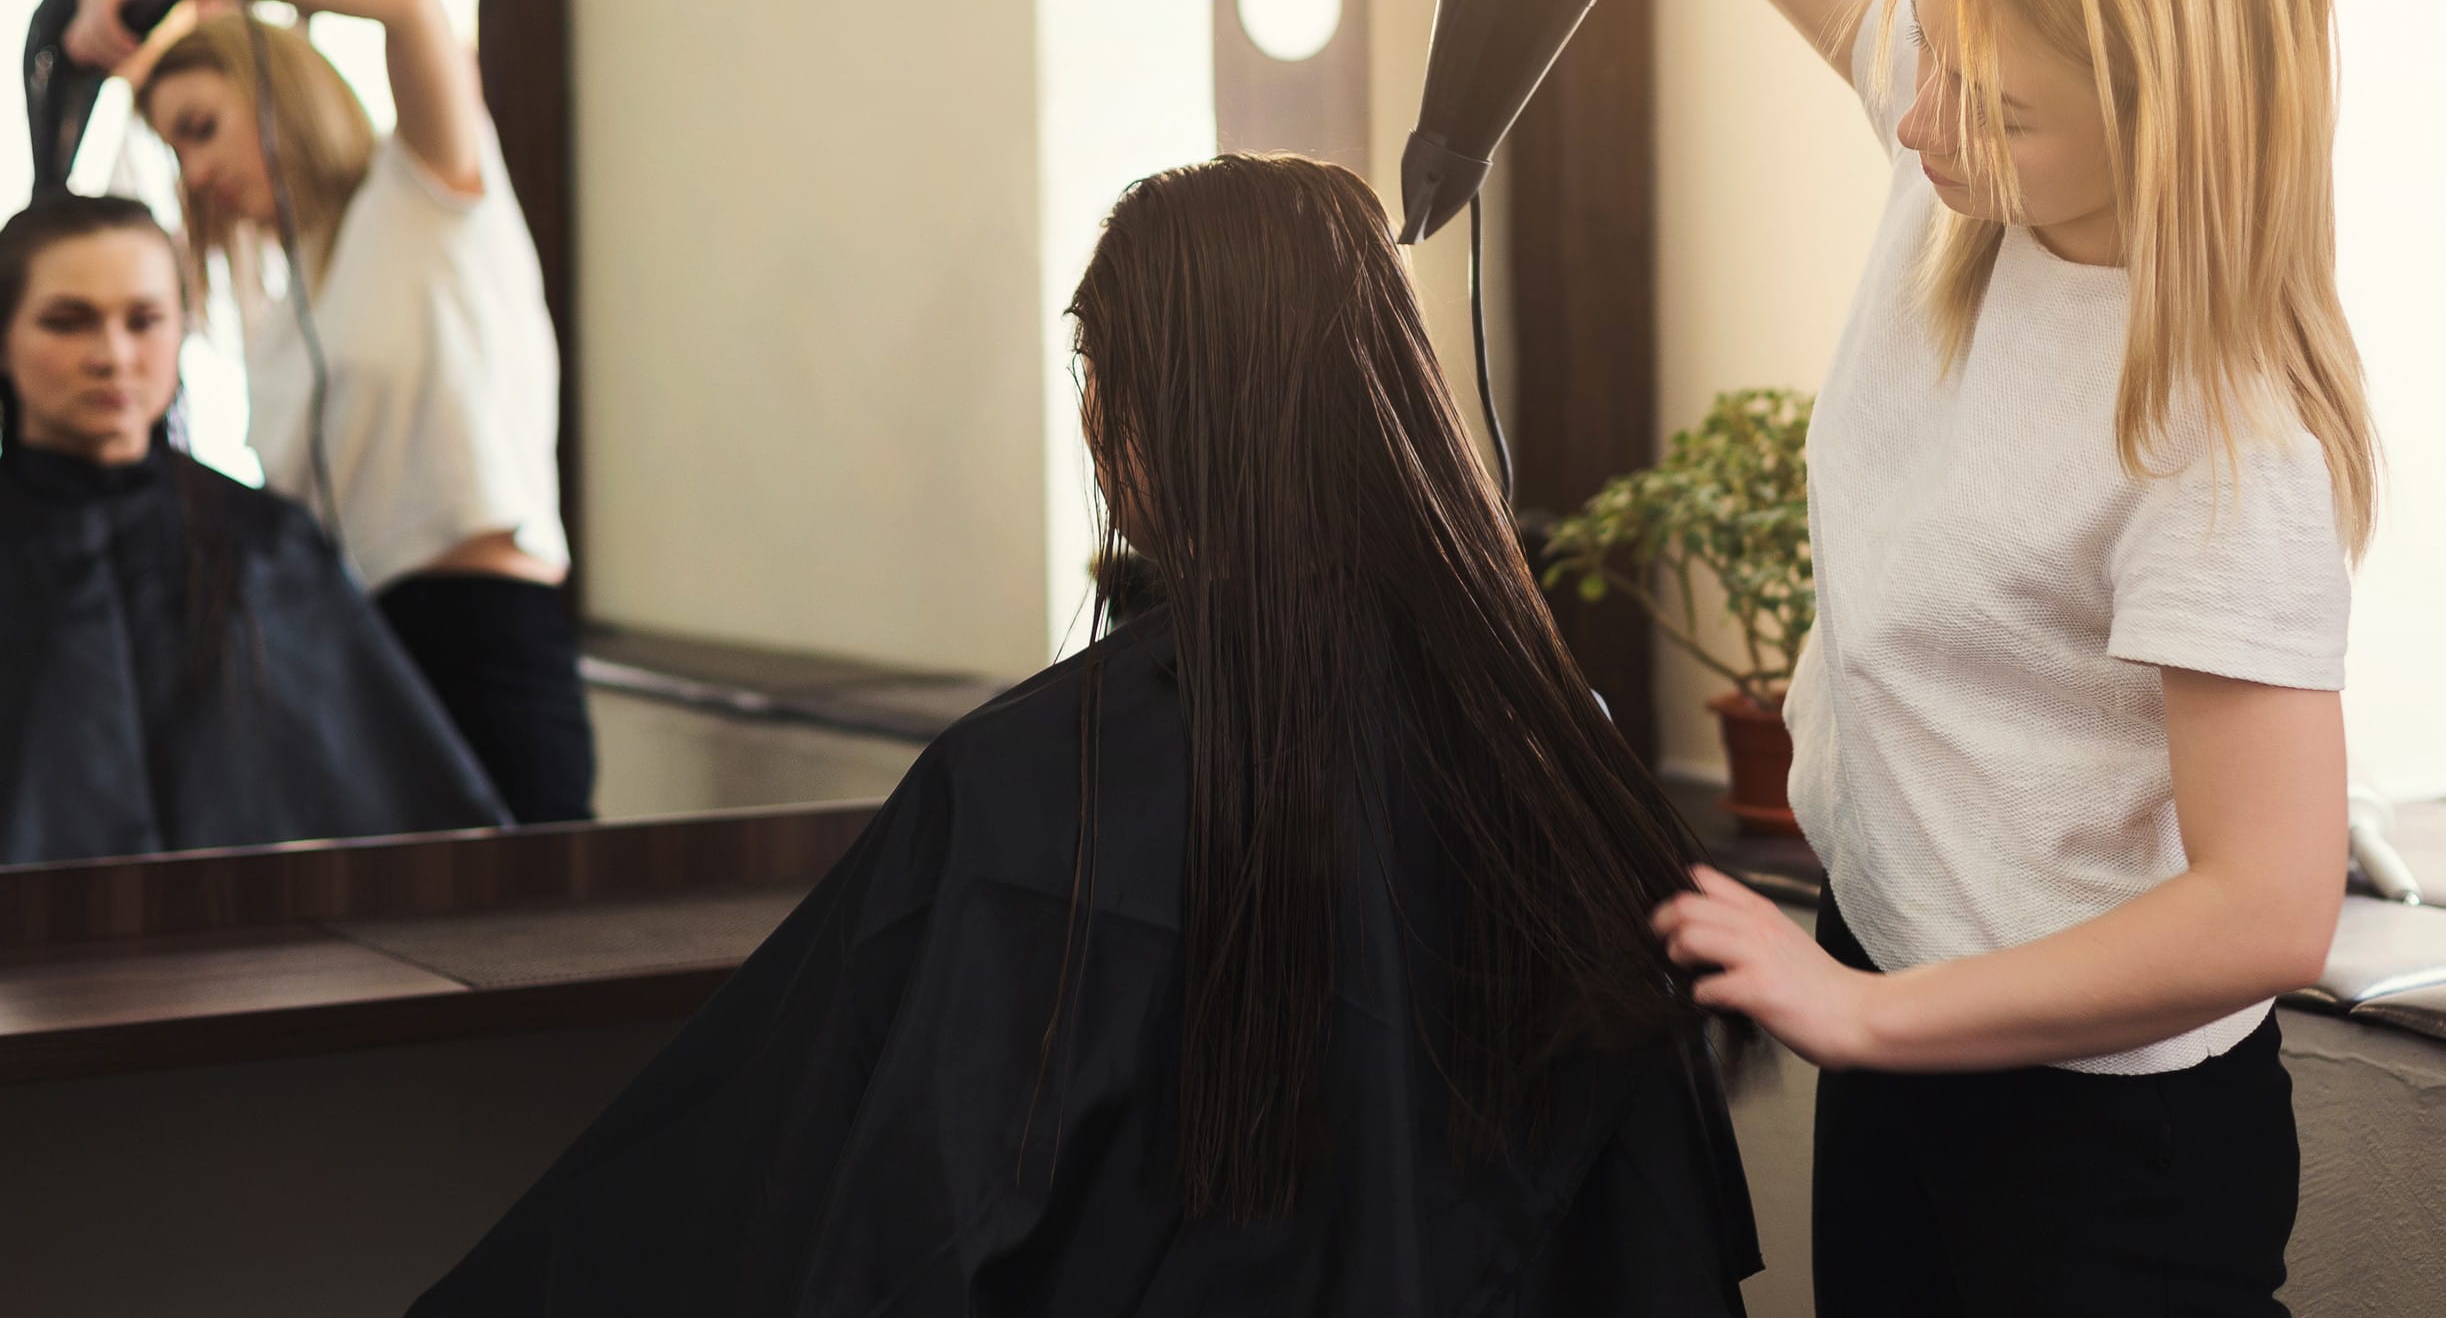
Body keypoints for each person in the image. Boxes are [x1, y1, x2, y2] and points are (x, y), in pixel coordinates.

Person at [409, 155, 1760, 1317]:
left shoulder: (1032, 792)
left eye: (1093, 376)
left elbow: (885, 1231)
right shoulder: (1560, 766)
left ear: (1132, 422)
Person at [1428, 0, 2371, 1314]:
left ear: (2165, 123)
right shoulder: (1967, 162)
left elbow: (2264, 904)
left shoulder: (2221, 432)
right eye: (1927, 41)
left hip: (2094, 1142)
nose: (1915, 120)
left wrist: (1861, 1017)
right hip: (1895, 998)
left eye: (1992, 106)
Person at [63, 0, 594, 823]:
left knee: (533, 927)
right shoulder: (281, 309)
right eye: (174, 149)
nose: (194, 173)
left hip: (486, 629)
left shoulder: (427, 191)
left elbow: (410, 2)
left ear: (275, 91)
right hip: (355, 654)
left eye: (200, 126)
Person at [0, 194, 507, 862]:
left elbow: (413, 811)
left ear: (184, 327)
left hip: (243, 947)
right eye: (69, 322)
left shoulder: (272, 546)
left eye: (145, 320)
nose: (114, 355)